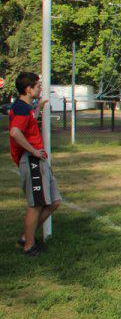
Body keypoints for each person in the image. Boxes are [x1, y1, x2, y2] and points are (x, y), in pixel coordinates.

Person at [9, 72, 61, 256]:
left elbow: (29, 122)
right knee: (36, 204)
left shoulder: (26, 107)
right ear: (28, 89)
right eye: (38, 86)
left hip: (38, 160)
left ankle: (26, 236)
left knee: (54, 201)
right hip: (32, 160)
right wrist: (33, 151)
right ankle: (29, 246)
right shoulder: (21, 108)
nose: (40, 88)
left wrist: (38, 108)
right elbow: (15, 132)